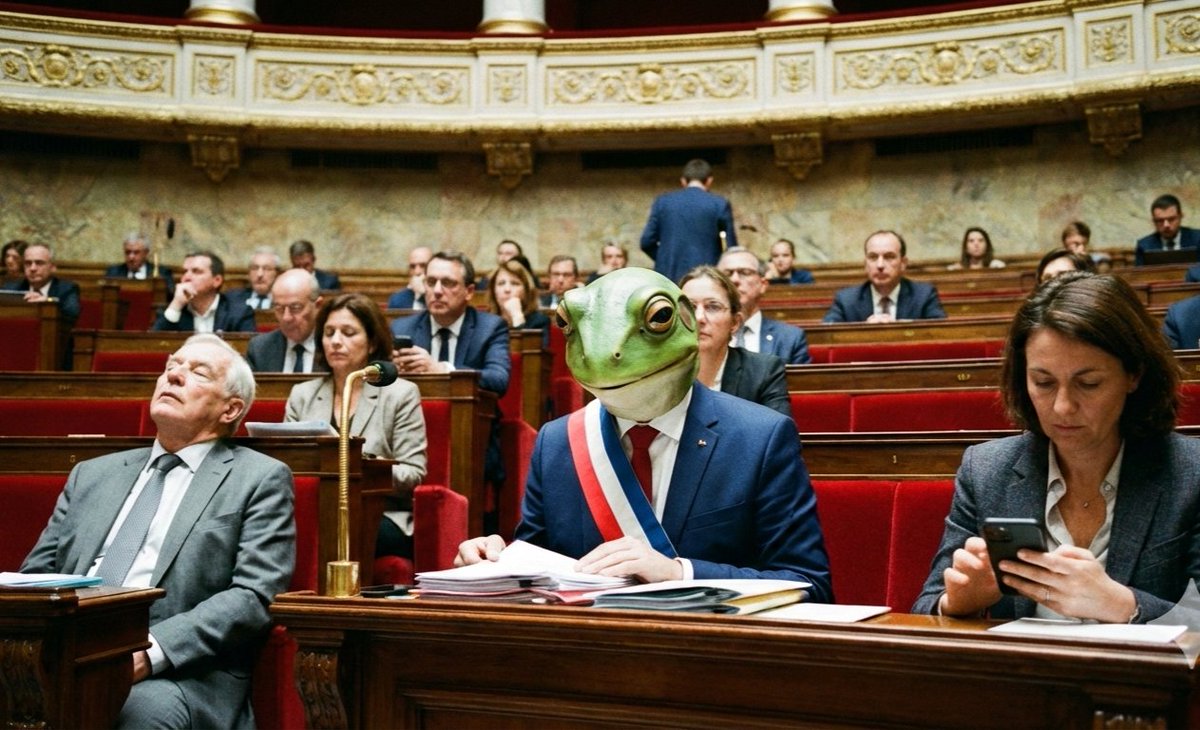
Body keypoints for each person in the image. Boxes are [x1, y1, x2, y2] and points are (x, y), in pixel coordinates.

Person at [455, 267, 831, 599]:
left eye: (659, 317)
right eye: (570, 324)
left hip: (711, 660)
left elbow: (809, 584)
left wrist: (681, 572)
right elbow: (537, 565)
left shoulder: (760, 439)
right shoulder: (557, 442)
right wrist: (494, 561)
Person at [21, 334, 295, 728]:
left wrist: (148, 653)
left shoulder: (258, 478)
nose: (174, 376)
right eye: (171, 367)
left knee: (141, 712)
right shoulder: (93, 475)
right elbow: (36, 575)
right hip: (65, 649)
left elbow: (254, 594)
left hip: (179, 671)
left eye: (197, 372)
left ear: (231, 409)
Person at [914, 272, 1198, 624]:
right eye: (1043, 382)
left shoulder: (1190, 473)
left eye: (1088, 383)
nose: (1063, 406)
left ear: (1134, 375)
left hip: (1141, 679)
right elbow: (927, 607)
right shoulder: (986, 469)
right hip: (1020, 676)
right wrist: (959, 601)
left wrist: (1125, 606)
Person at [287, 293, 427, 557]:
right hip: (311, 508)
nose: (336, 341)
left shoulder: (400, 394)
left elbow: (413, 473)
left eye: (348, 332)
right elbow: (286, 467)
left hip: (380, 513)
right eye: (329, 333)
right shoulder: (302, 395)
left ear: (372, 342)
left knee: (343, 526)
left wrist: (360, 466)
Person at [390, 250, 510, 396]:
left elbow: (498, 380)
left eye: (448, 283)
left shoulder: (490, 328)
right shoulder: (402, 328)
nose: (437, 291)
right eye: (431, 282)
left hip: (474, 416)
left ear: (469, 291)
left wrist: (442, 370)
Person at [679, 265, 791, 417]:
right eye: (690, 307)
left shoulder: (763, 371)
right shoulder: (658, 371)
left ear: (735, 323)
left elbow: (777, 437)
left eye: (712, 307)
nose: (699, 318)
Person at [639, 158, 737, 284]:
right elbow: (732, 249)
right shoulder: (719, 204)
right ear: (709, 181)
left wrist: (664, 259)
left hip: (668, 276)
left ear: (683, 181)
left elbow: (646, 242)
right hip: (707, 277)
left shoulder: (662, 202)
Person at [822, 231, 947, 323]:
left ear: (903, 263)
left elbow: (940, 333)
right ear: (865, 264)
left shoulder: (924, 296)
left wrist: (899, 328)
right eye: (873, 257)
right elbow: (828, 334)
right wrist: (862, 330)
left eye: (889, 257)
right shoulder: (846, 300)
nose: (880, 265)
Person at [718, 247, 811, 365]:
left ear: (763, 285)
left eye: (745, 272)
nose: (735, 279)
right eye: (727, 274)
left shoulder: (789, 339)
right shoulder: (702, 336)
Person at [153, 250, 256, 333]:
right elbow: (153, 348)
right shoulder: (173, 310)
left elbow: (246, 352)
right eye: (185, 271)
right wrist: (176, 304)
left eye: (196, 271)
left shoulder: (238, 312)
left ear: (217, 281)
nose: (186, 277)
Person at [246, 268, 326, 373]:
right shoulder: (260, 349)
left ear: (318, 306)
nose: (286, 318)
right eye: (279, 308)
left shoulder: (333, 347)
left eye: (295, 308)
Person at [1, 243, 81, 326]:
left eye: (39, 263)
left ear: (52, 267)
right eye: (28, 263)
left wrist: (48, 302)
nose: (32, 268)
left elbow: (72, 317)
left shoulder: (66, 289)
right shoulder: (10, 289)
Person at [104, 232, 175, 300]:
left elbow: (169, 296)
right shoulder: (113, 272)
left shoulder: (161, 272)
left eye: (136, 252)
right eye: (127, 252)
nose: (131, 257)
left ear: (146, 253)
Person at [1134, 194, 1200, 265]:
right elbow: (1139, 275)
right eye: (1160, 220)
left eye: (1171, 219)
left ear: (1181, 216)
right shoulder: (1144, 246)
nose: (1166, 225)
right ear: (1153, 221)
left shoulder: (1197, 239)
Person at [489, 258, 551, 334]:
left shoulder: (539, 321)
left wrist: (517, 317)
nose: (507, 289)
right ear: (493, 291)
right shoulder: (484, 322)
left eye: (514, 283)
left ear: (526, 290)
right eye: (501, 283)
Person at [387, 246, 432, 310]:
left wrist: (423, 295)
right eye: (412, 267)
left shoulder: (440, 296)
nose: (417, 272)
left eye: (423, 266)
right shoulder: (397, 299)